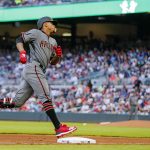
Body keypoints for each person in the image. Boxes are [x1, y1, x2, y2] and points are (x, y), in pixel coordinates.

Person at [0, 16, 77, 138]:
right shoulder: (36, 33)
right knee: (46, 96)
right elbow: (19, 39)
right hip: (34, 68)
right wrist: (22, 52)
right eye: (52, 23)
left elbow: (53, 62)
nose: (54, 25)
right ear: (45, 24)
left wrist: (57, 56)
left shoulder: (53, 42)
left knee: (17, 102)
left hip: (39, 70)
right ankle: (58, 127)